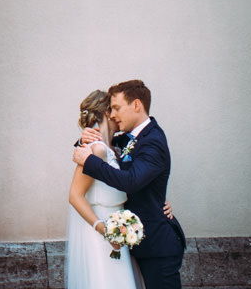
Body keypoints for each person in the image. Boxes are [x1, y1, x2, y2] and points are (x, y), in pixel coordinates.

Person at [72, 80, 186, 289]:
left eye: (116, 108)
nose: (113, 114)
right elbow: (105, 145)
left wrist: (88, 161)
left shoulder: (153, 140)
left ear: (136, 105)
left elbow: (132, 181)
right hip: (132, 245)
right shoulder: (127, 139)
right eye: (110, 109)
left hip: (157, 247)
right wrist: (82, 142)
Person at [66, 89, 144, 289]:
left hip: (117, 234)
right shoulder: (97, 149)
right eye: (116, 109)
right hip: (101, 236)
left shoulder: (114, 148)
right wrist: (106, 232)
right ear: (108, 113)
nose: (119, 115)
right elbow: (75, 196)